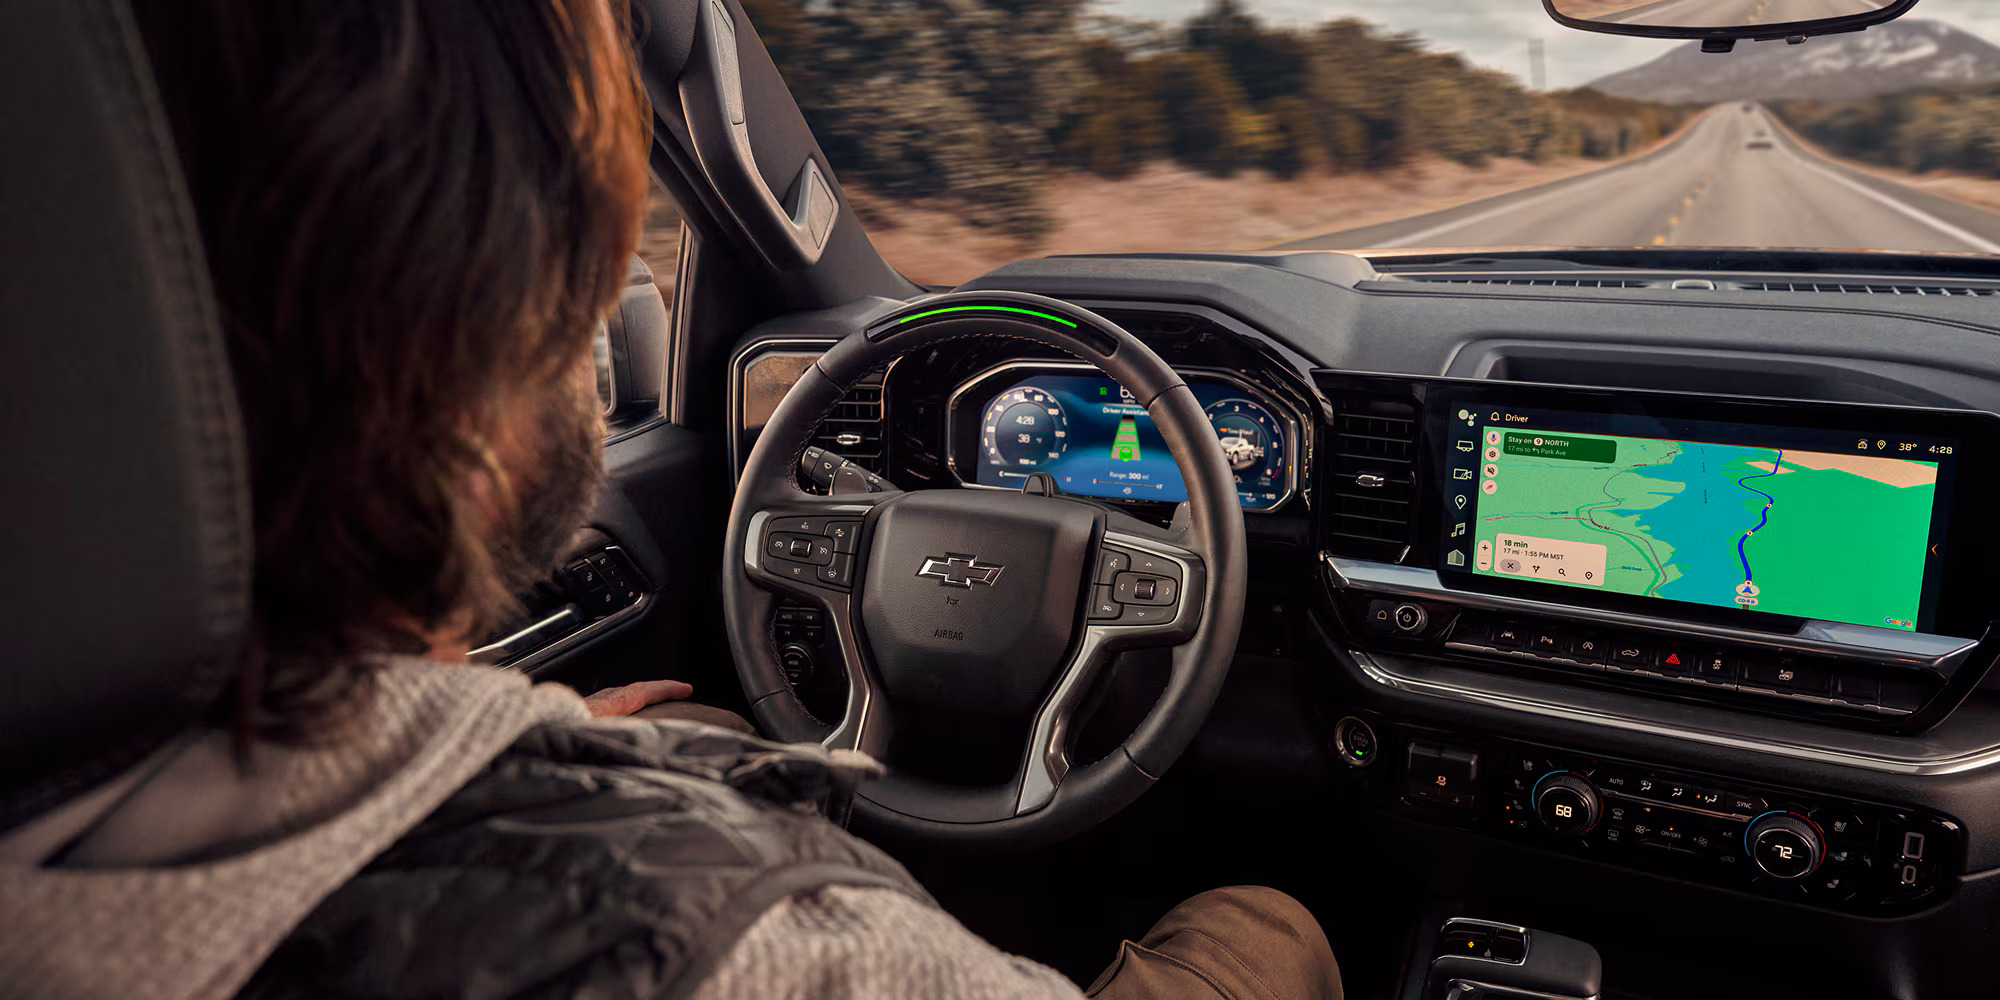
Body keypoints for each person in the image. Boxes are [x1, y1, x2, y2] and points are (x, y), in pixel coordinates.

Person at [0, 1, 1342, 997]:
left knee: (693, 719)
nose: (608, 315)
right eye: (596, 260)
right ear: (478, 384)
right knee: (1274, 923)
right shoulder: (751, 958)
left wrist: (522, 744)